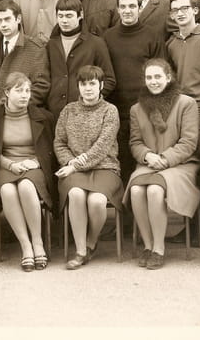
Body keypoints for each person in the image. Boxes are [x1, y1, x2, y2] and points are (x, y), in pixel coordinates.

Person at [124, 59, 200, 270]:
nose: (153, 81)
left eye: (158, 76)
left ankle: (159, 248)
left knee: (155, 190)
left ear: (168, 77)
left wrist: (165, 159)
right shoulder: (137, 109)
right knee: (136, 190)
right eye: (149, 77)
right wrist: (147, 155)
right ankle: (147, 245)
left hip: (179, 164)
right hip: (149, 163)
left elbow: (189, 142)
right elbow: (135, 142)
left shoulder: (186, 103)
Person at [54, 66, 122, 268]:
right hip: (73, 169)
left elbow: (102, 147)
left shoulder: (110, 110)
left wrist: (74, 166)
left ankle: (92, 241)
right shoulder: (68, 110)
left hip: (105, 167)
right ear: (78, 87)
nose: (88, 88)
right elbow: (59, 142)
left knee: (97, 201)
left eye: (92, 83)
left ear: (101, 85)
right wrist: (69, 162)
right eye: (83, 84)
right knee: (75, 194)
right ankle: (81, 250)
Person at [0, 72, 55, 271]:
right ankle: (25, 246)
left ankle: (38, 242)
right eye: (19, 90)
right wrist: (10, 165)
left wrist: (36, 161)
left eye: (27, 90)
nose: (25, 95)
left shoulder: (43, 117)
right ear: (7, 92)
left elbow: (50, 150)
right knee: (7, 190)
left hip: (33, 166)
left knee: (26, 186)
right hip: (5, 166)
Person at [103, 0, 167, 184]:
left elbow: (161, 72)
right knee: (122, 158)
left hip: (145, 108)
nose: (127, 10)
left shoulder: (152, 35)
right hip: (116, 109)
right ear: (117, 9)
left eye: (132, 6)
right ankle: (124, 202)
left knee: (144, 156)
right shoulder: (108, 37)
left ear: (139, 8)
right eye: (123, 6)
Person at [46, 0, 115, 119]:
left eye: (69, 16)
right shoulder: (50, 44)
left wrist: (90, 101)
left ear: (80, 15)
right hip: (54, 113)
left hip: (87, 113)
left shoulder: (96, 43)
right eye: (60, 16)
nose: (64, 21)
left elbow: (109, 79)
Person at [0, 0, 50, 118]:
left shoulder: (35, 48)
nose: (3, 24)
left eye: (7, 19)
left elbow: (41, 86)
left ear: (18, 19)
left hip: (20, 115)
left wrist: (16, 106)